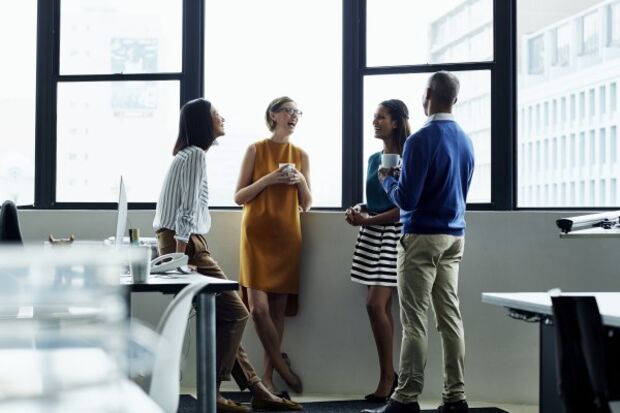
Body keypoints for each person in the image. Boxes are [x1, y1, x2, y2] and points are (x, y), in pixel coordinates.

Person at [153, 98, 302, 413]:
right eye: (216, 114)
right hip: (187, 245)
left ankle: (257, 390)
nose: (222, 118)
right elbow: (186, 212)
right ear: (204, 123)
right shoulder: (194, 156)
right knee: (237, 312)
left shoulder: (187, 155)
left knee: (225, 315)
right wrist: (181, 259)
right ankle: (215, 394)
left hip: (184, 243)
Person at [363, 71, 475, 413]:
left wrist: (387, 179)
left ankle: (405, 399)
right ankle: (455, 398)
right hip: (454, 236)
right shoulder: (465, 139)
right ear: (454, 99)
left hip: (421, 237)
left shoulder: (420, 139)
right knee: (450, 318)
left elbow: (407, 200)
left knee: (414, 320)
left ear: (427, 94)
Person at [234, 96, 312, 395]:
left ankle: (268, 377)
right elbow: (239, 197)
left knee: (278, 314)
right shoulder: (255, 149)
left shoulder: (301, 154)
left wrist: (300, 181)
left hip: (287, 239)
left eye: (297, 112)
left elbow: (306, 205)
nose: (294, 116)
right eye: (289, 111)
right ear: (274, 115)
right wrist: (269, 179)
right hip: (255, 238)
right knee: (258, 310)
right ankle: (282, 367)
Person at [345, 99, 410, 402]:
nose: (375, 121)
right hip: (372, 233)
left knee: (375, 305)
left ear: (396, 122)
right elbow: (376, 198)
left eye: (381, 117)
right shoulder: (374, 159)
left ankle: (389, 376)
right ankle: (389, 375)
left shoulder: (408, 156)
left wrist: (368, 219)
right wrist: (360, 209)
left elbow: (402, 207)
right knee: (377, 308)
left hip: (393, 233)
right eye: (374, 117)